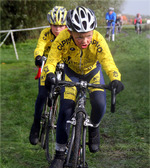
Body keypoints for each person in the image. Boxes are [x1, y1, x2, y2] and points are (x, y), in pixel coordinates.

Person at [44, 6, 124, 168]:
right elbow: (51, 60)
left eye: (88, 36)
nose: (85, 41)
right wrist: (49, 74)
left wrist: (115, 78)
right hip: (71, 72)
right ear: (70, 32)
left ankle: (94, 127)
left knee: (100, 104)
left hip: (92, 72)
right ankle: (60, 153)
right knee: (66, 110)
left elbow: (108, 62)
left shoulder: (98, 39)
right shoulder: (63, 38)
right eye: (79, 37)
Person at [29, 6, 67, 145]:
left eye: (61, 26)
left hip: (63, 66)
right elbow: (40, 46)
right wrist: (38, 56)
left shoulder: (69, 34)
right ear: (50, 24)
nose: (57, 29)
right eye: (54, 25)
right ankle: (36, 125)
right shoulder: (46, 33)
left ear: (66, 25)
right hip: (47, 65)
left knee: (66, 96)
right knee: (42, 95)